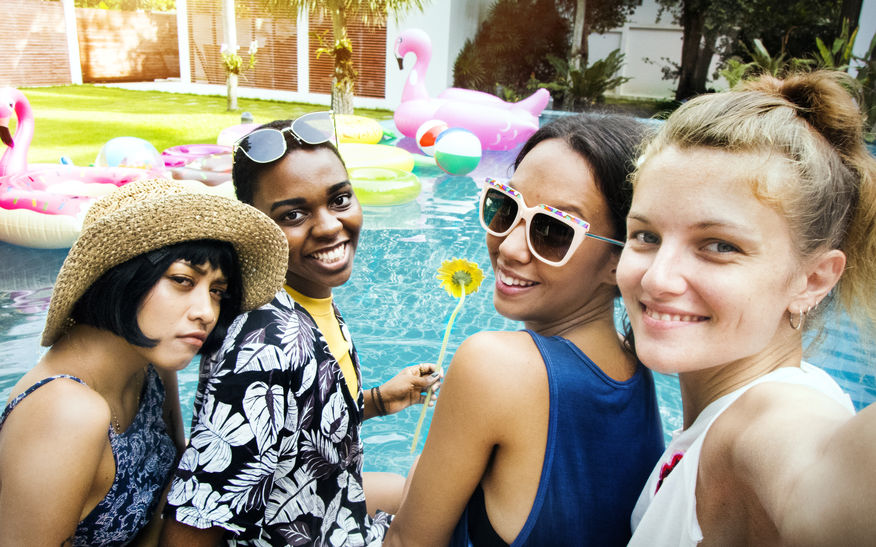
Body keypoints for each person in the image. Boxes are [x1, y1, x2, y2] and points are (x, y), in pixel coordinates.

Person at [618, 70, 876, 545]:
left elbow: (819, 480)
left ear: (812, 279)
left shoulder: (767, 418)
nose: (657, 278)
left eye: (718, 245)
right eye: (646, 236)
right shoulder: (725, 411)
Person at [384, 114, 665, 547]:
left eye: (552, 229)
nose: (510, 248)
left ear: (619, 260)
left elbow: (407, 542)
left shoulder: (494, 366)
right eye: (505, 206)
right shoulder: (633, 362)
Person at [161, 113, 441, 545]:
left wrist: (381, 401)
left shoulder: (308, 299)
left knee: (433, 489)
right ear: (253, 228)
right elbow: (193, 526)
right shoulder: (268, 343)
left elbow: (296, 424)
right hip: (309, 533)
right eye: (294, 214)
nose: (330, 225)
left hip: (329, 506)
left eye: (340, 199)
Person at [0, 178, 288, 546]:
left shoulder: (150, 369)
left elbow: (174, 492)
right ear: (122, 276)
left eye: (216, 291)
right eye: (183, 280)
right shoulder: (66, 412)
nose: (206, 312)